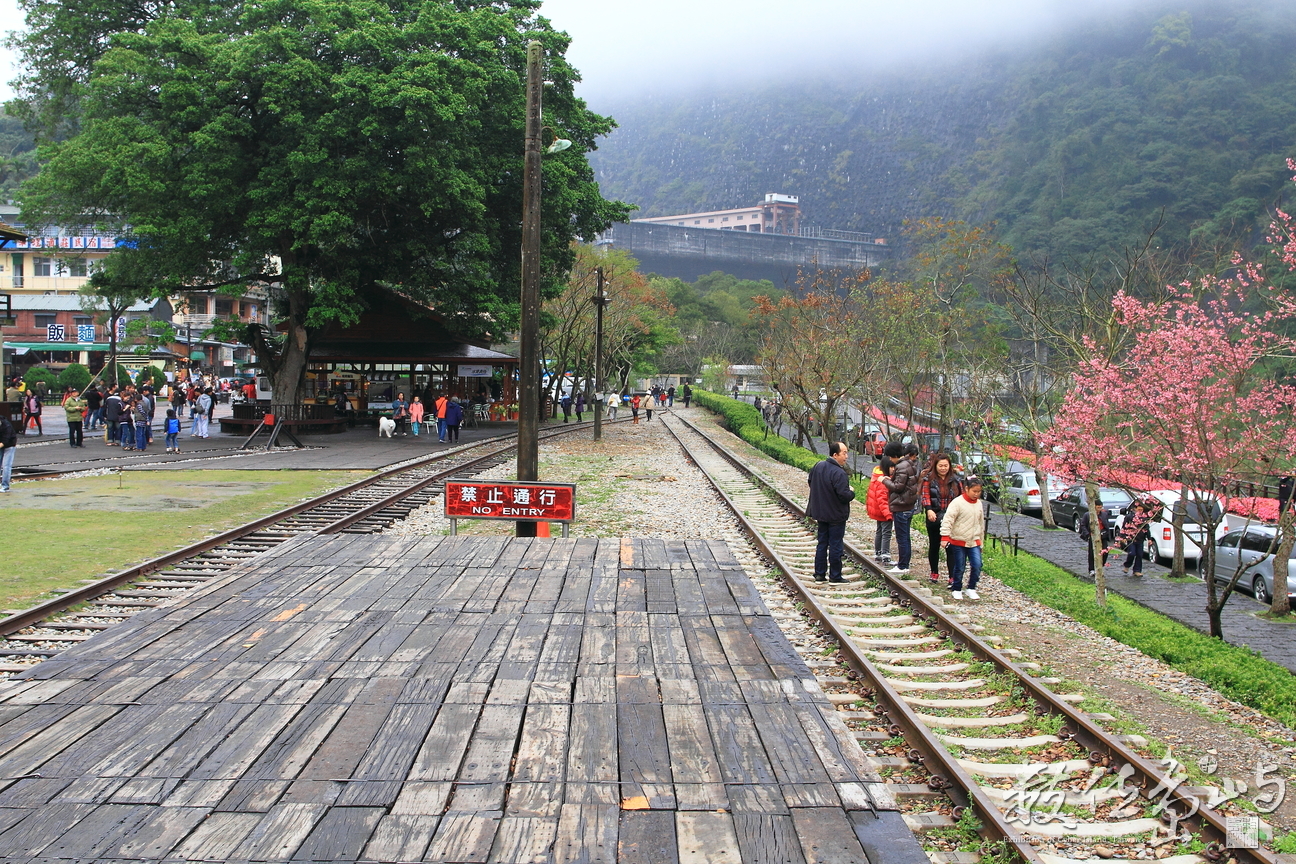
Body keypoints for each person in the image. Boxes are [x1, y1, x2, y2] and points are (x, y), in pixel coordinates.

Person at [808, 441, 856, 583]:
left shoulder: (818, 466)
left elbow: (811, 481)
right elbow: (843, 495)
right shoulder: (839, 473)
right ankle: (835, 575)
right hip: (836, 515)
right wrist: (851, 492)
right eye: (844, 453)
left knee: (822, 543)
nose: (846, 456)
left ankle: (819, 574)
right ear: (835, 455)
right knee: (835, 544)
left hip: (821, 512)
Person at [920, 452, 964, 585]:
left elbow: (961, 498)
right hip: (934, 515)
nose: (943, 468)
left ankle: (952, 576)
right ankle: (934, 572)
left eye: (946, 465)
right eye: (941, 465)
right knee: (934, 545)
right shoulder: (929, 479)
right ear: (936, 466)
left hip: (951, 517)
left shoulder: (956, 480)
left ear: (949, 466)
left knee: (951, 547)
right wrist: (928, 510)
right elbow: (925, 495)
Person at [941, 477, 986, 600]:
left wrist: (981, 541)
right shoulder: (957, 503)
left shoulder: (979, 504)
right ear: (967, 489)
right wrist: (945, 536)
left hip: (974, 540)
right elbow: (948, 519)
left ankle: (971, 587)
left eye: (979, 492)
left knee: (977, 564)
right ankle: (957, 588)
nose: (976, 494)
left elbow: (980, 524)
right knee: (959, 566)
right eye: (974, 491)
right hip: (958, 540)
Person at [881, 442, 921, 575]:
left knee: (902, 538)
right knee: (906, 537)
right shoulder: (909, 464)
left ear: (892, 455)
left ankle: (903, 565)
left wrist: (885, 480)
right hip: (908, 505)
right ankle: (904, 564)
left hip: (901, 506)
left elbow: (898, 487)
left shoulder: (901, 466)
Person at [867, 455, 894, 565]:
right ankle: (885, 554)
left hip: (877, 511)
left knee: (880, 531)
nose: (894, 469)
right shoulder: (884, 480)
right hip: (883, 511)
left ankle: (878, 552)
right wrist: (888, 514)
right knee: (886, 532)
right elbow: (882, 499)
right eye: (892, 467)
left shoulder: (876, 475)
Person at [1078, 496, 1113, 578]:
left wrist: (1106, 534)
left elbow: (1106, 525)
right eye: (1098, 507)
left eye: (1101, 507)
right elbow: (1083, 525)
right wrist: (1087, 534)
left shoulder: (1104, 514)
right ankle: (1091, 569)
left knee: (1105, 551)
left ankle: (1100, 566)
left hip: (1102, 536)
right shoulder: (1088, 515)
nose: (1099, 509)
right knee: (1092, 553)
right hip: (1092, 536)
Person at [0, 409, 15, 492]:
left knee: (6, 466)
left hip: (9, 445)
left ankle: (5, 486)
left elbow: (5, 440)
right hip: (1, 444)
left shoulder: (6, 425)